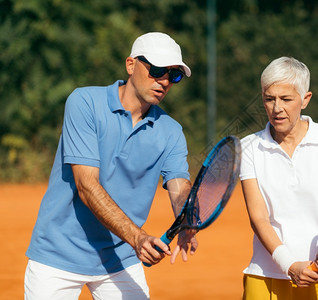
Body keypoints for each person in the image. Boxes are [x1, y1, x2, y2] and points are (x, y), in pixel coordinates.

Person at [25, 32, 197, 300]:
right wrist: (138, 238)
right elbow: (86, 185)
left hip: (120, 260)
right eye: (158, 70)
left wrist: (187, 216)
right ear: (131, 65)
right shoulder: (85, 103)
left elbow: (178, 185)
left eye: (173, 76)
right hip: (57, 255)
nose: (164, 81)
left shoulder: (171, 131)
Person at [239, 56, 318, 299]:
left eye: (286, 99)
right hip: (268, 275)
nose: (277, 108)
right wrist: (289, 265)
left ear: (305, 99)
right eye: (269, 99)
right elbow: (259, 217)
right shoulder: (247, 147)